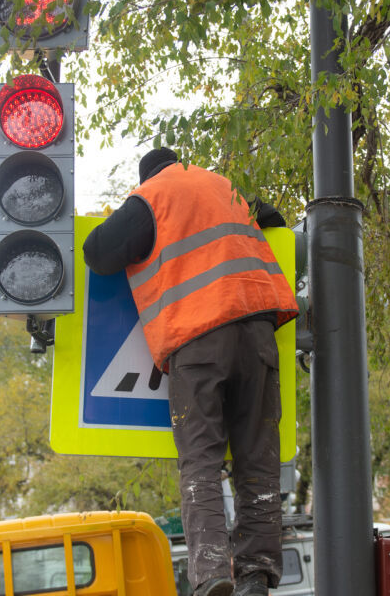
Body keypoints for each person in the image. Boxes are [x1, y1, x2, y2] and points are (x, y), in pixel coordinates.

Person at [83, 147, 298, 596]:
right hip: (257, 329)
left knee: (201, 460)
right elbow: (278, 224)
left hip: (198, 338)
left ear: (147, 176)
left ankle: (213, 572)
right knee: (257, 457)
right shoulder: (227, 185)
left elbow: (98, 253)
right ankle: (256, 573)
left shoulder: (150, 198)